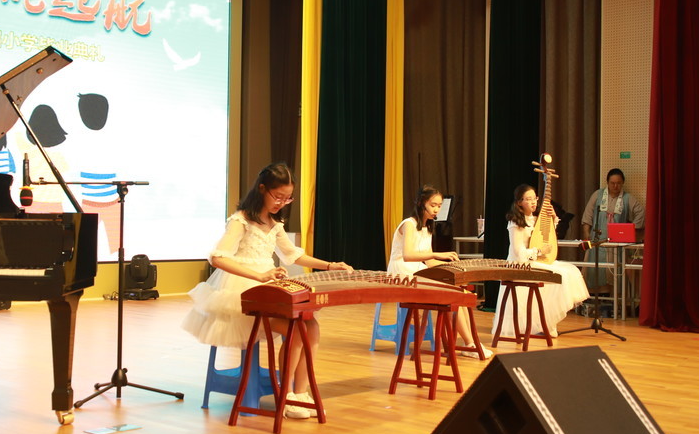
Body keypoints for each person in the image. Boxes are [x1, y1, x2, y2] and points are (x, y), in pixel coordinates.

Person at [181, 163, 353, 419]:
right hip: (242, 291)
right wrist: (259, 276)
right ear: (262, 189)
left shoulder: (274, 223)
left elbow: (293, 255)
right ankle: (286, 394)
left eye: (287, 198)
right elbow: (218, 258)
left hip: (269, 287)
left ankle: (300, 393)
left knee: (312, 326)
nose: (281, 203)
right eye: (278, 196)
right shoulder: (241, 220)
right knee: (297, 331)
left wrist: (329, 265)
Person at [388, 185, 491, 359]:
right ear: (421, 203)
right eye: (433, 205)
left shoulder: (427, 227)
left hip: (417, 270)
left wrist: (453, 267)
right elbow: (408, 255)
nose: (436, 209)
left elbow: (429, 262)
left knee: (460, 292)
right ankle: (469, 343)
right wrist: (437, 254)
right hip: (402, 272)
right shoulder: (409, 224)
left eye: (439, 205)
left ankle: (469, 342)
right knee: (452, 294)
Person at [491, 184, 589, 339]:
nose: (533, 202)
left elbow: (546, 235)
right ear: (519, 202)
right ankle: (542, 323)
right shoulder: (515, 222)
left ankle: (546, 322)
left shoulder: (536, 219)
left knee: (571, 270)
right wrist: (539, 251)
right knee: (559, 274)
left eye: (534, 198)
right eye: (528, 199)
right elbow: (519, 253)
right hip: (520, 265)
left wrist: (553, 218)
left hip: (535, 261)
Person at [580, 168, 646, 292]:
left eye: (618, 183)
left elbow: (641, 213)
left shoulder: (627, 198)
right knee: (595, 270)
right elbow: (588, 215)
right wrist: (586, 233)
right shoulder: (597, 195)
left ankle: (614, 299)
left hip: (616, 243)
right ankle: (598, 298)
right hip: (597, 240)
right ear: (607, 182)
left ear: (622, 183)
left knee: (615, 272)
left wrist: (631, 231)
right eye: (612, 183)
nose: (615, 186)